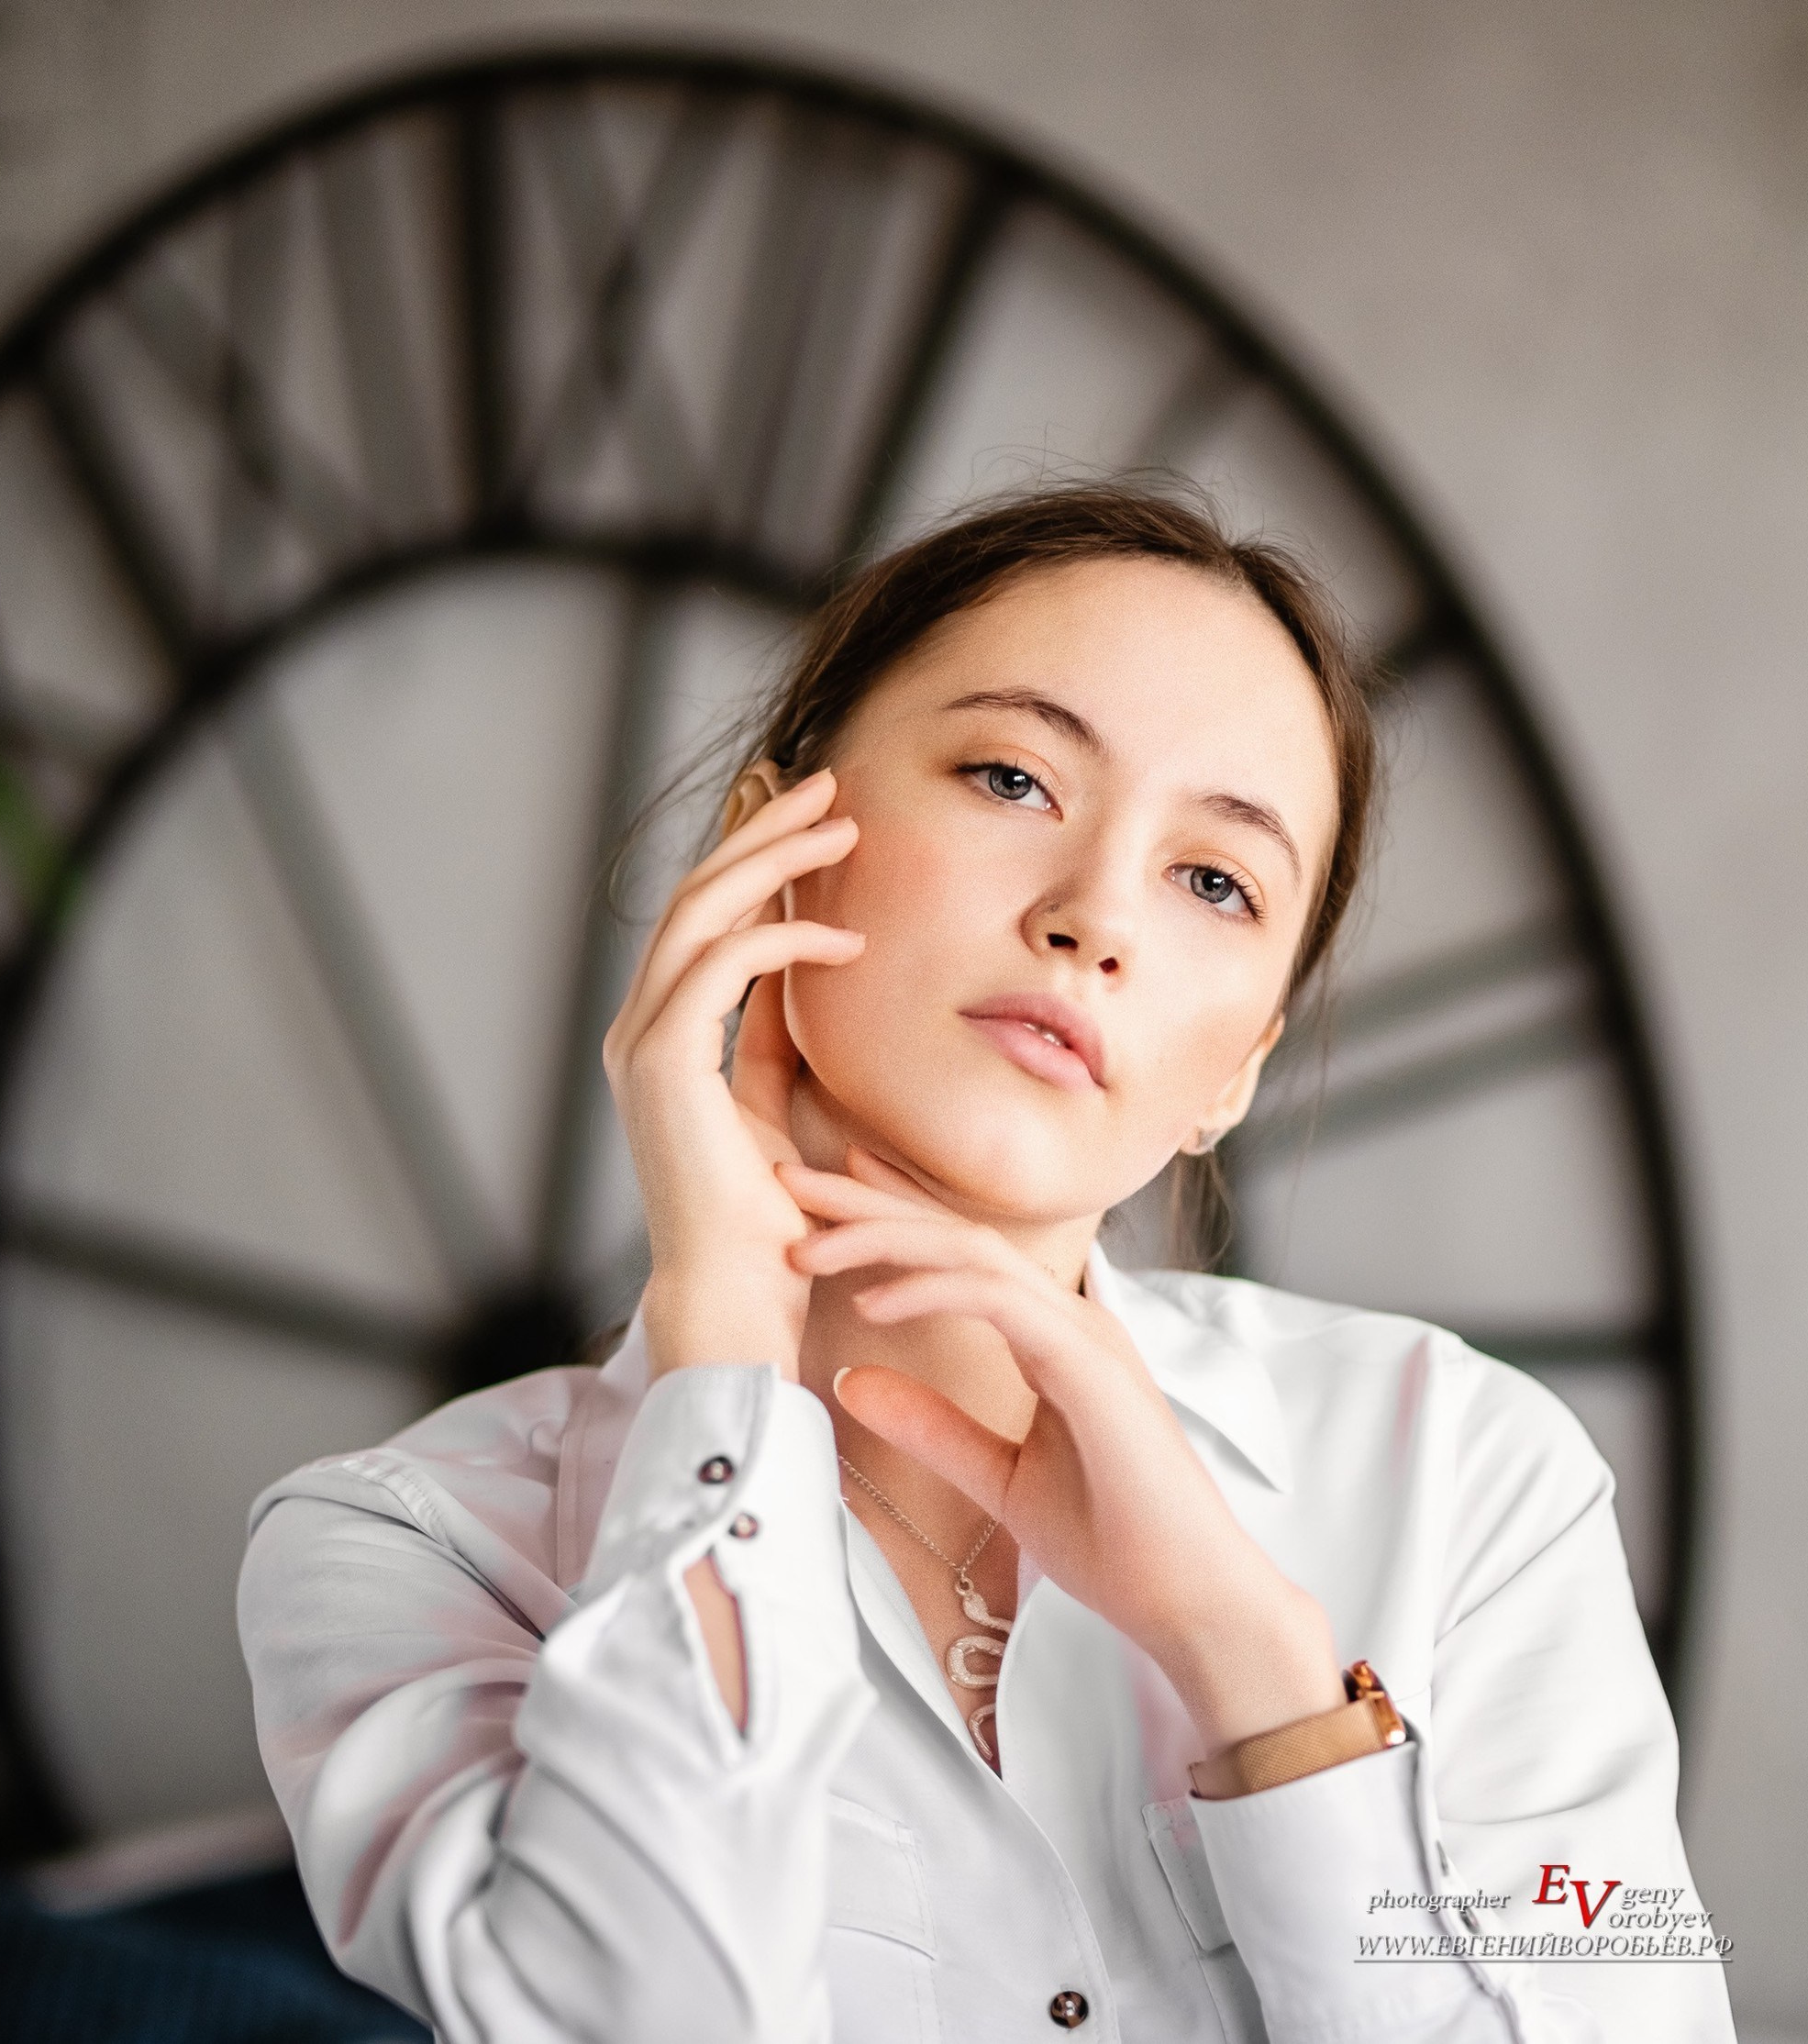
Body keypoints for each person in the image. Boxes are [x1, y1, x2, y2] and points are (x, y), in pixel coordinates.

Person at [238, 484, 1733, 2043]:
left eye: (1216, 880)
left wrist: (1257, 1669)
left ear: (1239, 1071)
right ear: (774, 848)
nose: (1094, 920)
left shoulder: (1471, 1481)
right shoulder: (415, 1545)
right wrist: (728, 1353)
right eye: (1014, 777)